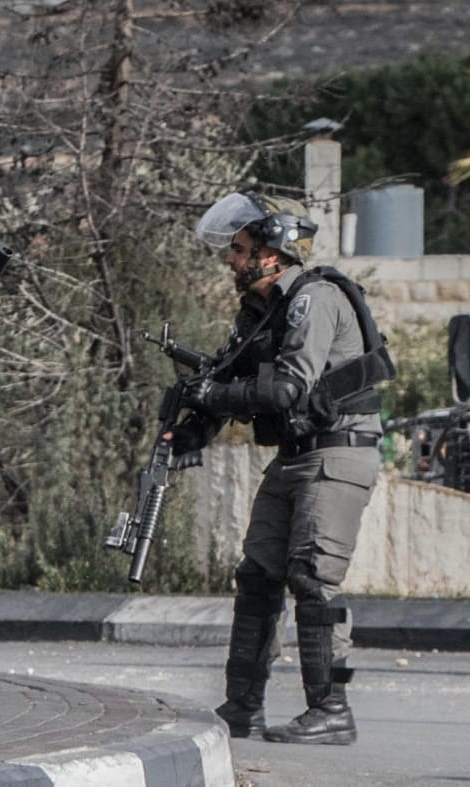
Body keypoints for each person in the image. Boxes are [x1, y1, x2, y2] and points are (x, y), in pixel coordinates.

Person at [172, 192, 394, 746]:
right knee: (257, 576)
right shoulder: (263, 311)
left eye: (240, 249)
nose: (231, 260)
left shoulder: (313, 299)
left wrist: (217, 392)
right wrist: (191, 421)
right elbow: (233, 381)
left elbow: (287, 387)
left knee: (314, 580)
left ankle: (331, 708)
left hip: (337, 452)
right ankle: (241, 706)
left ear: (272, 252)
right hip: (295, 455)